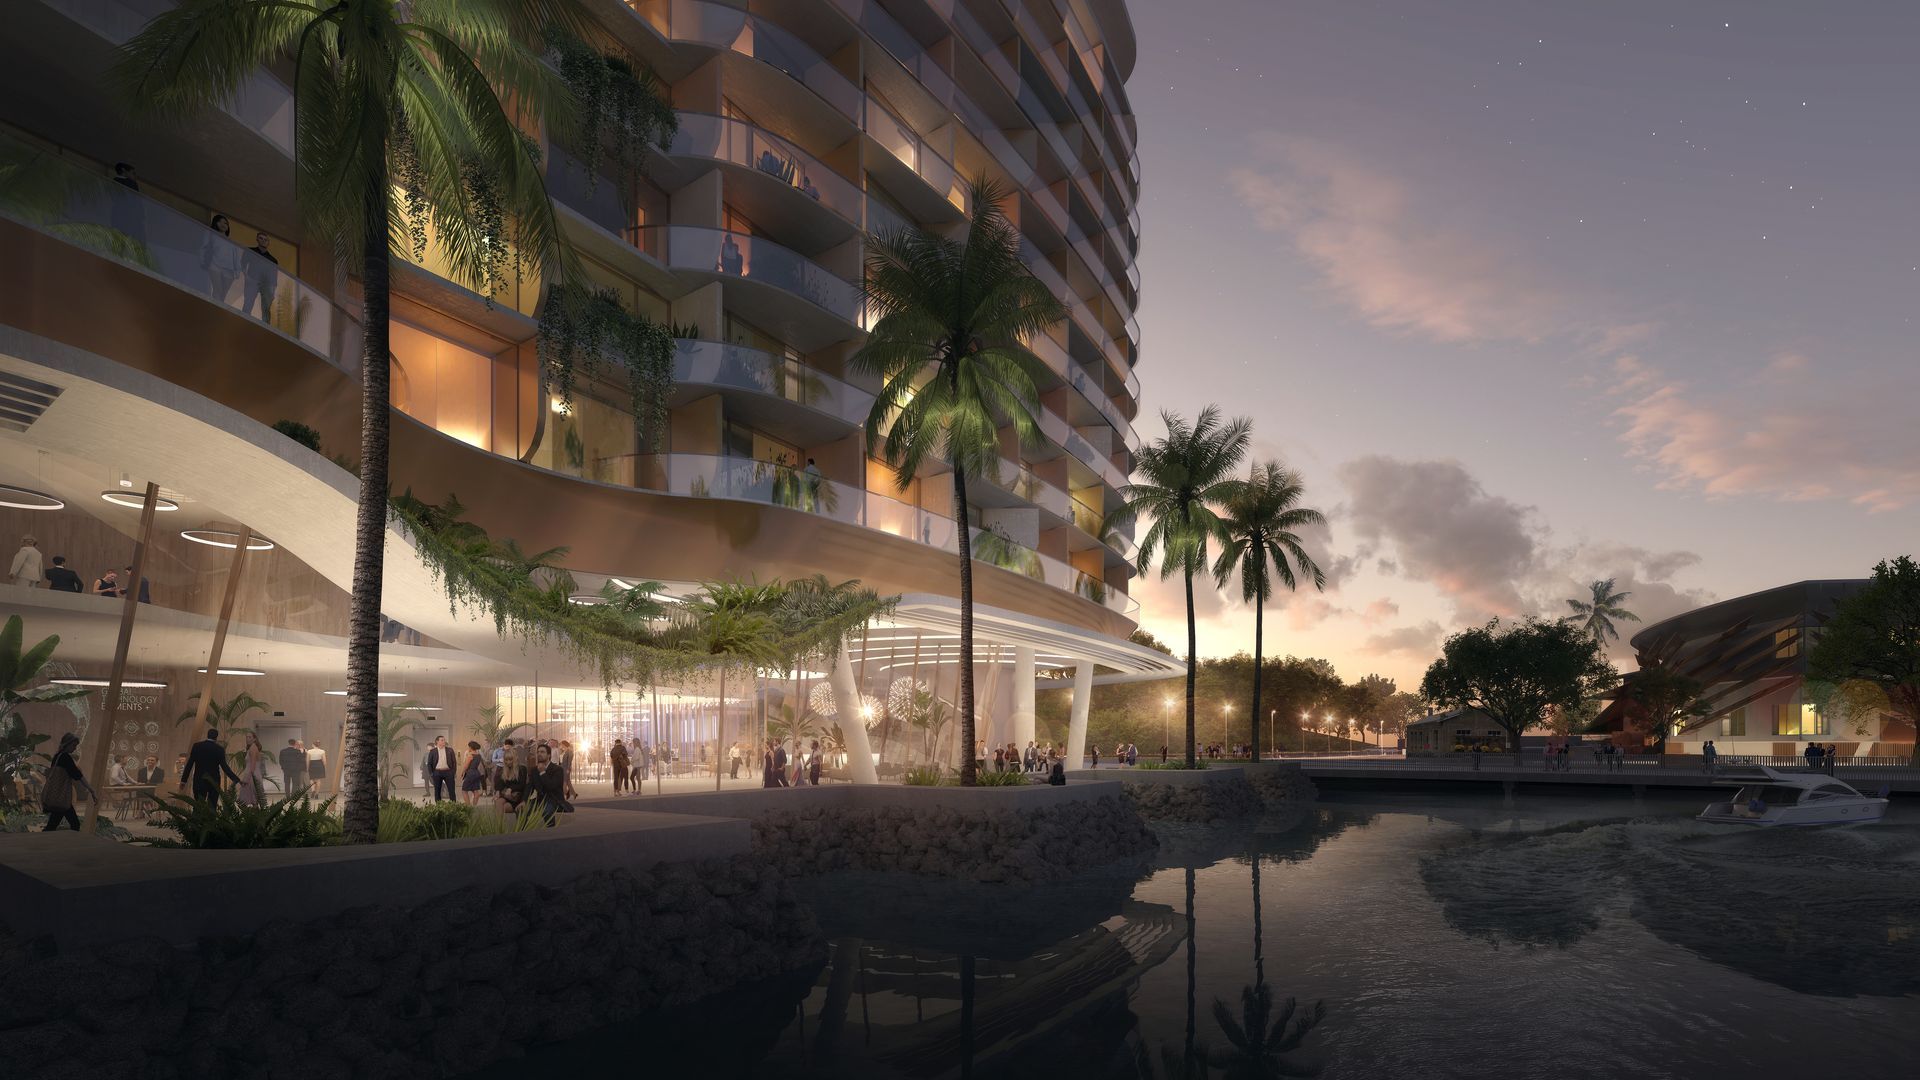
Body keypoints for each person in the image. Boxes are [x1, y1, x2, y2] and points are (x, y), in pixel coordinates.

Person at [41, 733, 95, 831]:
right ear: (67, 744)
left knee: (53, 825)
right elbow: (77, 775)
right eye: (73, 745)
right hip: (62, 798)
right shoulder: (65, 757)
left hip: (57, 796)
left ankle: (46, 838)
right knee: (74, 824)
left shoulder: (57, 756)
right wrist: (91, 789)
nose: (75, 748)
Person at [180, 727, 239, 802]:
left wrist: (183, 780)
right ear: (216, 737)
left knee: (199, 805)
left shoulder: (197, 746)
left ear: (207, 735)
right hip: (214, 782)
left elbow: (190, 764)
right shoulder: (219, 749)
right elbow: (225, 767)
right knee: (212, 806)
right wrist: (235, 779)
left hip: (199, 780)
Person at [201, 213, 243, 302]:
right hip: (215, 265)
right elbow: (204, 248)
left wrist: (237, 271)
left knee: (223, 294)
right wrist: (202, 261)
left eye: (225, 223)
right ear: (215, 223)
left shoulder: (231, 241)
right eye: (219, 222)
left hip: (229, 270)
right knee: (217, 290)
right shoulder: (211, 234)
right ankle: (213, 307)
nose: (223, 224)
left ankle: (217, 308)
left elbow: (236, 258)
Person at [529, 743, 570, 825]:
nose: (539, 754)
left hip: (554, 799)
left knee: (547, 811)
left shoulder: (557, 769)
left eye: (542, 752)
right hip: (540, 799)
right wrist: (523, 800)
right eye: (538, 752)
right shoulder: (534, 770)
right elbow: (530, 787)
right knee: (522, 808)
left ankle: (551, 830)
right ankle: (524, 831)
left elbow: (551, 786)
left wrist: (542, 772)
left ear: (549, 755)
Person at [243, 231, 278, 320]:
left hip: (266, 284)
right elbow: (243, 264)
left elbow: (274, 277)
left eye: (266, 240)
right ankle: (244, 319)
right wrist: (246, 277)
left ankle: (265, 324)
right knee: (248, 302)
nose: (263, 241)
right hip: (252, 280)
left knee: (266, 308)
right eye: (261, 238)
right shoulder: (251, 251)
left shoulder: (273, 260)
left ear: (268, 242)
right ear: (257, 239)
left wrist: (273, 291)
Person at [494, 747, 529, 816]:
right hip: (507, 796)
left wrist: (511, 788)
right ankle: (498, 823)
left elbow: (522, 784)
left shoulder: (522, 769)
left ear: (515, 759)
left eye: (510, 759)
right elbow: (500, 783)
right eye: (506, 760)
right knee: (498, 802)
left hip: (517, 798)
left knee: (502, 808)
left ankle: (499, 822)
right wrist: (498, 791)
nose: (508, 762)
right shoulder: (504, 770)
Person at [236, 732, 265, 806]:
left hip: (252, 775)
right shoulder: (252, 748)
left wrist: (247, 779)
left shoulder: (253, 748)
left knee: (251, 800)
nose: (247, 739)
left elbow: (253, 765)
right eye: (246, 737)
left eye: (249, 737)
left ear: (254, 739)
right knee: (252, 800)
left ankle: (254, 812)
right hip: (252, 774)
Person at [459, 741, 487, 805]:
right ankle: (474, 806)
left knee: (464, 790)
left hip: (470, 773)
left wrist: (462, 772)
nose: (468, 748)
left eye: (469, 746)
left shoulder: (470, 755)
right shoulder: (479, 755)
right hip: (477, 772)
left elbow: (466, 766)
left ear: (471, 747)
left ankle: (468, 806)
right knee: (475, 791)